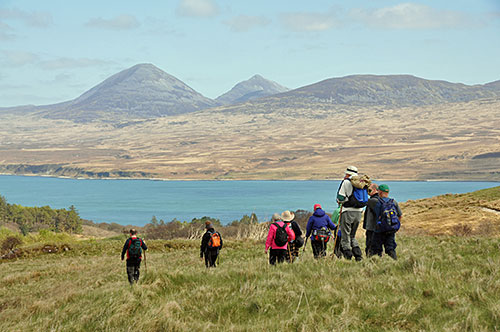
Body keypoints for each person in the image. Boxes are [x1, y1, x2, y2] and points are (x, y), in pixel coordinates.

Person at [337, 166, 365, 261]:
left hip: (347, 211)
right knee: (352, 235)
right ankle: (358, 255)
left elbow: (340, 197)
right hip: (359, 212)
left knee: (345, 236)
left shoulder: (346, 182)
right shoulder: (361, 182)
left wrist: (340, 201)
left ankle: (348, 256)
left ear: (348, 174)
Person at [371, 184, 403, 260]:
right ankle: (395, 263)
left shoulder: (376, 202)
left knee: (377, 249)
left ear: (380, 192)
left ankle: (377, 265)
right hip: (391, 229)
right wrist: (395, 225)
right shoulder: (393, 202)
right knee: (390, 248)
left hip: (379, 230)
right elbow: (400, 215)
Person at [363, 183, 380, 257]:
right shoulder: (380, 200)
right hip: (378, 227)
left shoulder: (372, 201)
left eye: (369, 190)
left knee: (370, 245)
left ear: (375, 190)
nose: (368, 192)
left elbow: (362, 200)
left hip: (372, 227)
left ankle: (370, 258)